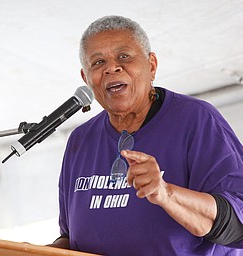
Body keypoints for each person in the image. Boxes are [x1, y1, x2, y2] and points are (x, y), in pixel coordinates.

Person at [50, 15, 243, 255]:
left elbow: (238, 224)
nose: (111, 68)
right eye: (98, 62)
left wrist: (166, 193)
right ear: (86, 78)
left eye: (124, 56)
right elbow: (71, 239)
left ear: (151, 65)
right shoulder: (80, 140)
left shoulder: (196, 119)